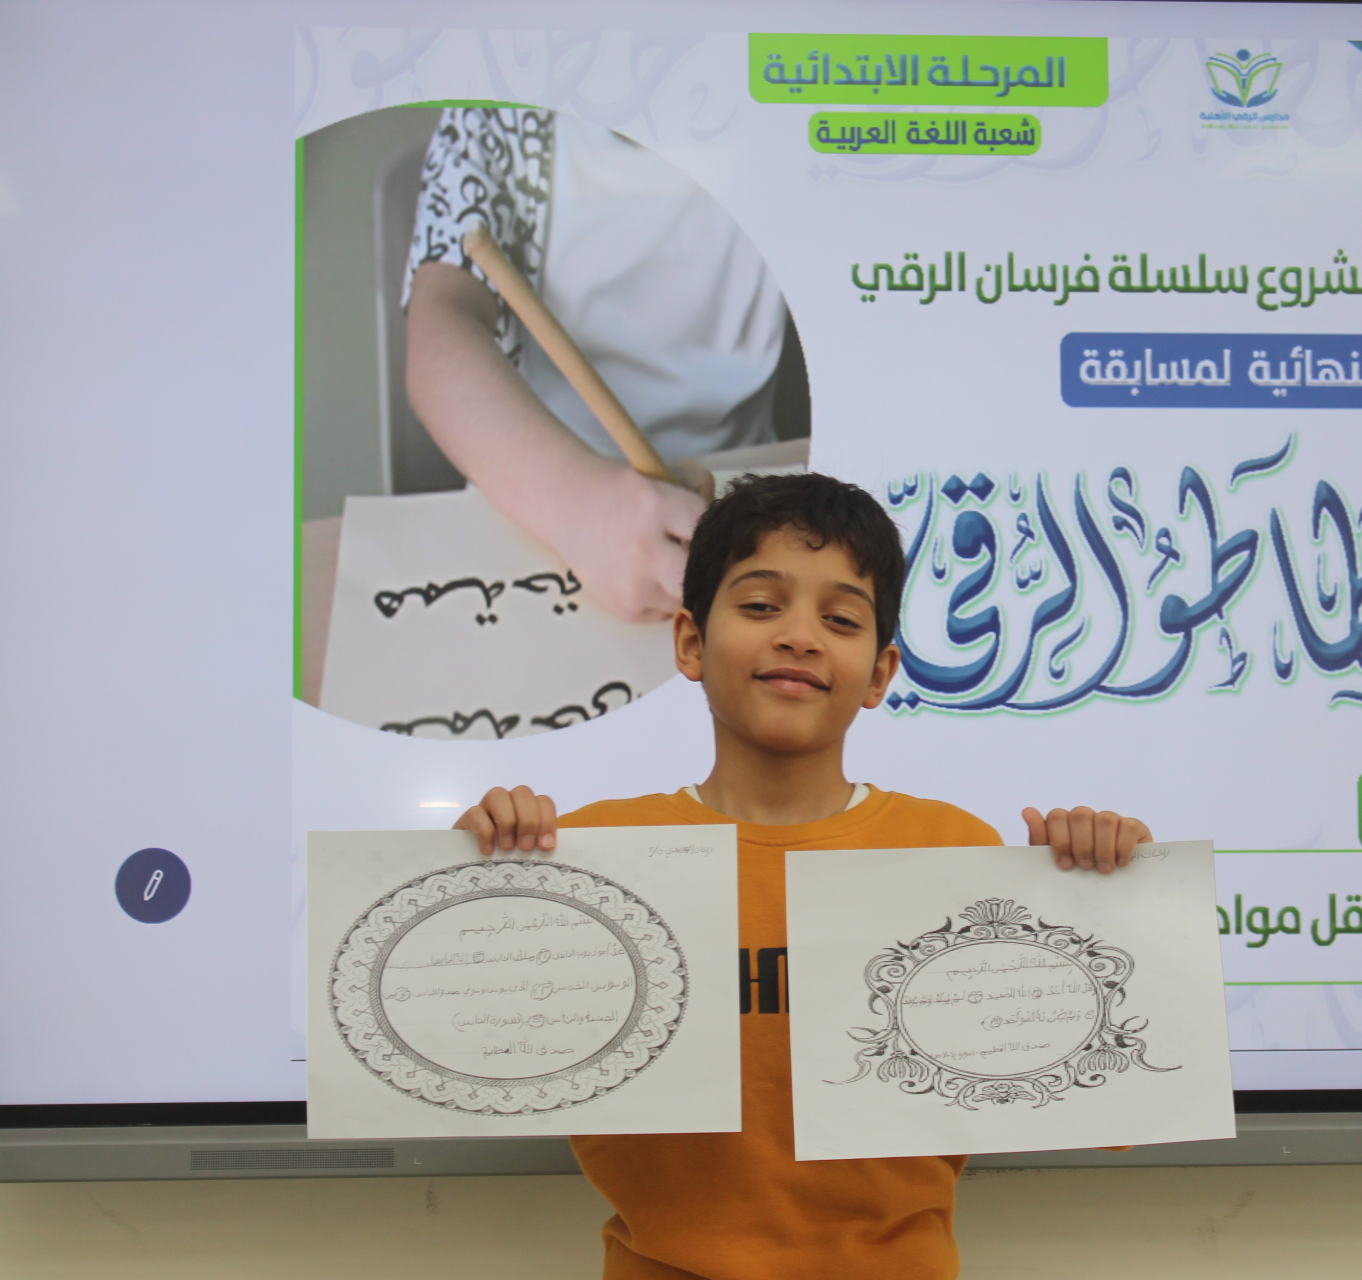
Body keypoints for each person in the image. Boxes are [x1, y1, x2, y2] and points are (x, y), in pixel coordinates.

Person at [454, 473, 1152, 1280]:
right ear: (690, 642)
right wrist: (472, 888)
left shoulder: (951, 852)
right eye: (760, 606)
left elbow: (1111, 1109)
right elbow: (465, 1049)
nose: (799, 637)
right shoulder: (591, 857)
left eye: (841, 619)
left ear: (881, 673)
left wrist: (1104, 898)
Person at [403, 106, 793, 623]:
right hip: (540, 500)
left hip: (743, 496)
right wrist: (578, 506)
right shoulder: (498, 106)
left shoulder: (799, 109)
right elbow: (439, 329)